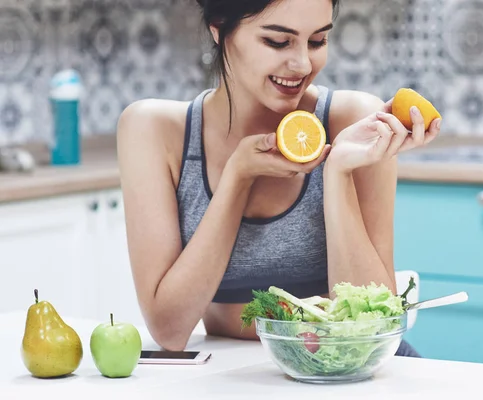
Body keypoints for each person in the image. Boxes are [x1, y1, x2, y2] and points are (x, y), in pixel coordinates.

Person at [116, 0, 440, 358]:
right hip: (237, 376)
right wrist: (238, 176)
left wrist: (337, 173)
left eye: (316, 41)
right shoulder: (155, 131)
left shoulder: (353, 121)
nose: (302, 64)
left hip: (352, 372)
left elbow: (372, 325)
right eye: (277, 42)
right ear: (219, 28)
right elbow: (170, 329)